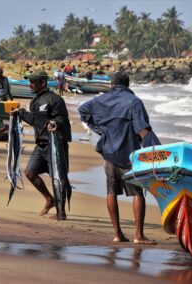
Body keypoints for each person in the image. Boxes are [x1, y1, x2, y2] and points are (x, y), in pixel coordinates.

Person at [78, 70, 161, 244]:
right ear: (128, 84)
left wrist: (99, 130)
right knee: (138, 193)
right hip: (128, 155)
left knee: (111, 192)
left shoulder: (100, 100)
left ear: (112, 84)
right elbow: (142, 129)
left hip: (108, 153)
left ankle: (118, 234)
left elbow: (83, 110)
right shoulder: (134, 102)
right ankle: (138, 236)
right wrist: (157, 152)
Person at [11, 70, 71, 221]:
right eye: (29, 82)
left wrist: (54, 122)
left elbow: (62, 119)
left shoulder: (55, 100)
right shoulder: (35, 101)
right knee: (30, 172)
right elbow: (34, 120)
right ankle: (49, 199)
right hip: (41, 144)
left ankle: (61, 212)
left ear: (42, 83)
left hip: (55, 144)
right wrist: (21, 113)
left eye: (33, 82)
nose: (30, 85)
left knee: (58, 178)